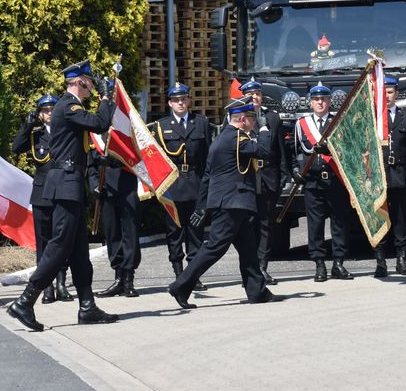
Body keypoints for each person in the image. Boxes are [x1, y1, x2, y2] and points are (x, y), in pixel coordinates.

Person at [7, 61, 117, 331]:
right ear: (79, 82)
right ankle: (25, 300)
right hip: (65, 183)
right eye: (90, 82)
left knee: (79, 250)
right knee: (59, 245)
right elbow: (100, 123)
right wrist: (105, 98)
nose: (92, 87)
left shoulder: (71, 106)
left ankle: (87, 306)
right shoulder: (68, 106)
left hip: (71, 184)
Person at [168, 97, 280, 309]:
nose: (255, 122)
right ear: (242, 119)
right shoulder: (237, 139)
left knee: (248, 249)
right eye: (252, 118)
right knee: (214, 248)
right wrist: (265, 130)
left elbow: (208, 176)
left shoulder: (221, 139)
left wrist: (202, 206)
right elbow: (264, 152)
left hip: (229, 202)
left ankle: (258, 291)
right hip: (232, 203)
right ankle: (180, 286)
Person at [11, 94, 72, 303]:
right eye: (45, 111)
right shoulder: (35, 134)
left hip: (62, 192)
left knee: (61, 239)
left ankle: (62, 284)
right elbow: (16, 148)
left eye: (53, 110)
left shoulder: (66, 131)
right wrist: (26, 126)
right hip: (41, 193)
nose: (49, 114)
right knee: (44, 241)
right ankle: (46, 287)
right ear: (40, 114)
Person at [150, 83, 211, 289]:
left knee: (195, 231)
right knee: (174, 232)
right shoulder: (160, 126)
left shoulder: (201, 123)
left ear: (188, 100)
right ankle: (178, 273)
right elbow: (156, 159)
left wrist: (207, 186)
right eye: (176, 100)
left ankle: (193, 275)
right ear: (170, 103)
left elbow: (207, 158)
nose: (180, 103)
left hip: (195, 181)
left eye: (183, 99)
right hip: (173, 185)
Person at [293, 82, 354, 282]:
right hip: (314, 182)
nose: (320, 103)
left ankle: (338, 262)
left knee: (339, 223)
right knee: (315, 225)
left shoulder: (339, 122)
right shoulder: (302, 124)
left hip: (336, 180)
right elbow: (295, 152)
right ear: (311, 103)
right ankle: (319, 263)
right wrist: (296, 171)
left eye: (324, 99)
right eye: (316, 100)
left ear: (330, 102)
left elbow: (347, 151)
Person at [89, 110, 142, 299]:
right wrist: (95, 185)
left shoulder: (128, 132)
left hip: (127, 189)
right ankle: (118, 277)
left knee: (130, 234)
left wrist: (115, 162)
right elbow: (91, 166)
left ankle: (128, 279)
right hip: (107, 190)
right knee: (113, 235)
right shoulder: (96, 134)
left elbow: (138, 158)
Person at [239, 77, 286, 285]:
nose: (255, 98)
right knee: (248, 225)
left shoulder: (272, 118)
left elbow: (279, 149)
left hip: (268, 178)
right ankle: (249, 269)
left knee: (266, 225)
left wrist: (284, 175)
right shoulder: (236, 117)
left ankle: (262, 267)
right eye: (250, 95)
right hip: (247, 179)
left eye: (257, 94)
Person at [377, 75, 406, 277]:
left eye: (390, 92)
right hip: (379, 177)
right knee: (380, 219)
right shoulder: (373, 119)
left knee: (401, 220)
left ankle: (402, 260)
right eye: (383, 92)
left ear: (397, 94)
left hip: (400, 174)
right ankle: (380, 261)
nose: (387, 96)